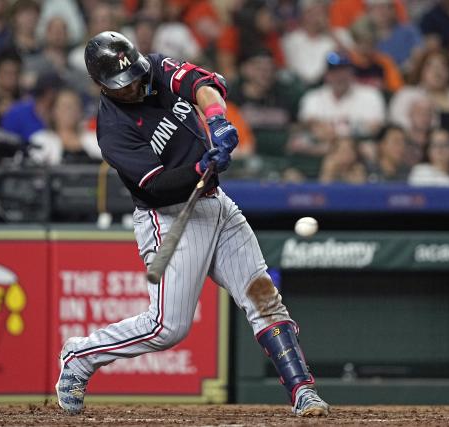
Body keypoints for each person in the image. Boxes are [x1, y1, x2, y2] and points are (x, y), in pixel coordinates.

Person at [54, 31, 330, 418]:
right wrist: (200, 166)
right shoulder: (113, 130)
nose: (133, 86)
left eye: (134, 75)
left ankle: (304, 391)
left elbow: (204, 85)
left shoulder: (155, 67)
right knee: (167, 327)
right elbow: (157, 185)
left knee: (264, 299)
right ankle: (80, 356)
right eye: (122, 83)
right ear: (99, 85)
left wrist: (217, 122)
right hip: (169, 216)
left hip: (216, 205)